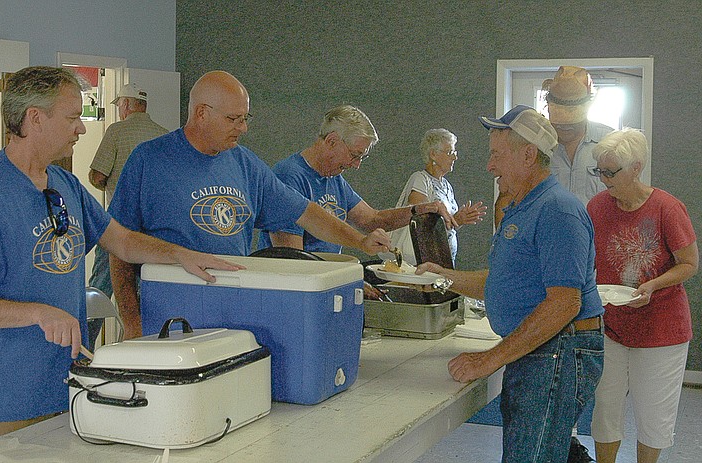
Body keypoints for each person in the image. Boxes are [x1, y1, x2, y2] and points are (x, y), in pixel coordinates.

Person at [0, 66, 242, 439]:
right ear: (35, 118)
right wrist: (38, 313)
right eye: (72, 117)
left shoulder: (65, 184)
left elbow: (123, 241)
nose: (81, 128)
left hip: (64, 387)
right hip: (3, 396)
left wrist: (179, 254)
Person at [108, 71, 390, 338]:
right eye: (233, 119)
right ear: (201, 113)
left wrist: (361, 242)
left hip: (233, 313)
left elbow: (307, 213)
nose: (243, 128)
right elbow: (119, 249)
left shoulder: (245, 164)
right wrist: (133, 322)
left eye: (245, 118)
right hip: (168, 317)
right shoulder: (149, 160)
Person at [418, 105, 604, 462]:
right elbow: (507, 281)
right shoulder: (524, 207)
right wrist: (444, 277)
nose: (490, 165)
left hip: (558, 349)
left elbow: (565, 303)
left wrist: (489, 360)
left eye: (496, 155)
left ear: (528, 154)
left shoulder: (557, 210)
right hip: (543, 348)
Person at [587, 129, 698, 463]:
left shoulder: (667, 208)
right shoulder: (597, 206)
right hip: (611, 324)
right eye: (600, 171)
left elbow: (689, 264)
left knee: (653, 414)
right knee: (605, 408)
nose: (604, 179)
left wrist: (653, 285)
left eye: (611, 172)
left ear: (635, 168)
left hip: (662, 328)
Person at [257, 105, 457, 257]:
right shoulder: (289, 176)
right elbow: (293, 258)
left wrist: (419, 210)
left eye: (362, 157)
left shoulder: (335, 179)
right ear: (332, 141)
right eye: (355, 155)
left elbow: (373, 220)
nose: (356, 165)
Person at [494, 66, 614, 227]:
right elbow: (506, 201)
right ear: (548, 106)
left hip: (598, 243)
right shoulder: (532, 146)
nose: (565, 128)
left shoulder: (610, 142)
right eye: (560, 121)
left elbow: (627, 199)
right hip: (544, 242)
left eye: (573, 122)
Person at [87, 83, 168, 299]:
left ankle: (86, 332)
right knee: (147, 290)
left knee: (99, 290)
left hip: (118, 225)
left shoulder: (116, 131)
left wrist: (107, 186)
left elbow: (98, 175)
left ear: (125, 105)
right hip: (154, 228)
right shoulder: (165, 135)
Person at [390, 128, 486, 265]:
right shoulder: (420, 179)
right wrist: (455, 219)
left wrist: (459, 220)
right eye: (450, 152)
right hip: (424, 262)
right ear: (433, 154)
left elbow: (447, 225)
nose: (455, 157)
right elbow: (419, 222)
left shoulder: (446, 185)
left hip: (443, 258)